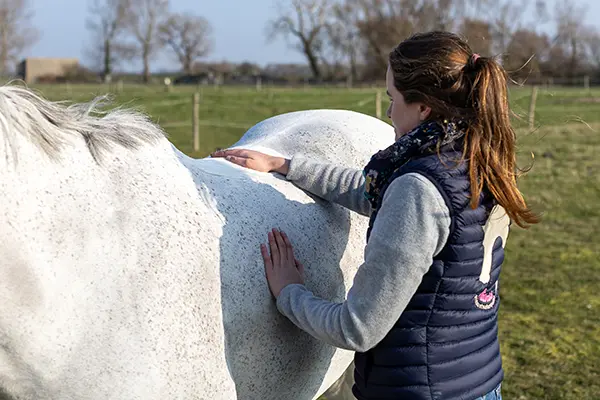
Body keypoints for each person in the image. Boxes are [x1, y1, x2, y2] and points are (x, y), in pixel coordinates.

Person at [212, 31, 538, 400]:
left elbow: (358, 328)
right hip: (477, 380)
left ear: (423, 108)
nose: (387, 111)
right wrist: (285, 165)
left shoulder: (419, 187)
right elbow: (376, 192)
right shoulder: (478, 161)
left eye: (392, 98)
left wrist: (289, 292)